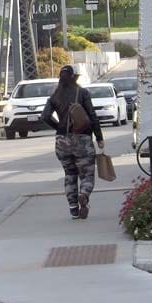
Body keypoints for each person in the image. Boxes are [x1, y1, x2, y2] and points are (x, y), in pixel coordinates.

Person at [41, 65, 104, 220]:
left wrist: (59, 128)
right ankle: (84, 194)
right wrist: (99, 137)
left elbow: (45, 116)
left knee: (69, 174)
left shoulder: (54, 96)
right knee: (87, 173)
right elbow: (92, 115)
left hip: (62, 141)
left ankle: (74, 209)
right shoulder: (82, 93)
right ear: (75, 77)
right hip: (82, 139)